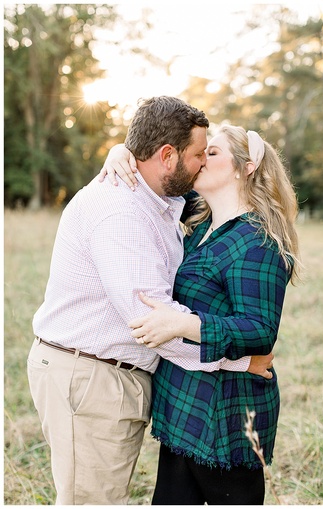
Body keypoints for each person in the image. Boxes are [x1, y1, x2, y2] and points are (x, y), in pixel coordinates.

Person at [27, 96, 272, 505]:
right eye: (198, 154)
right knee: (92, 501)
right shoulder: (124, 211)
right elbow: (153, 323)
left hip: (105, 377)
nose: (202, 163)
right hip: (91, 378)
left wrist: (122, 149)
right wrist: (239, 361)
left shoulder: (161, 199)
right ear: (167, 156)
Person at [101, 123, 301, 504]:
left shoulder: (257, 241)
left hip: (226, 411)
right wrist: (120, 152)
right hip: (182, 401)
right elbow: (153, 179)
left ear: (246, 168)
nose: (200, 159)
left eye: (213, 153)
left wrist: (181, 324)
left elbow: (260, 330)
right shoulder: (203, 222)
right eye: (201, 152)